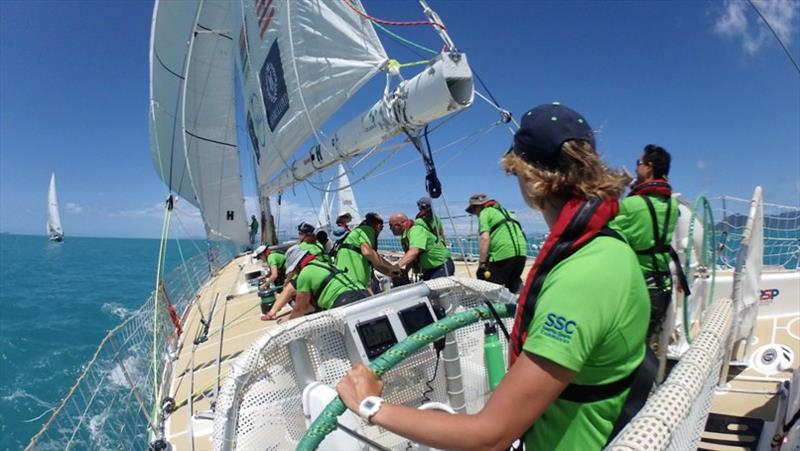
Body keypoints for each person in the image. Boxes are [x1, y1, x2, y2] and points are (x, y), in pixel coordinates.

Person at [337, 103, 651, 450]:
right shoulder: (615, 248)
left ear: (530, 178)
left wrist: (370, 405)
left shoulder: (582, 276)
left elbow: (489, 436)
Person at [609, 144, 684, 346]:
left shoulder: (632, 206)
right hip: (662, 289)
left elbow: (602, 225)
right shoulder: (673, 206)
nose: (636, 168)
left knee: (625, 349)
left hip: (639, 290)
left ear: (649, 167)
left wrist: (619, 188)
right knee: (644, 346)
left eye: (638, 163)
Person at [262, 244, 369, 320]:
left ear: (297, 265)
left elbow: (302, 308)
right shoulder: (323, 264)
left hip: (344, 301)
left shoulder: (305, 273)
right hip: (364, 293)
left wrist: (289, 319)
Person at [465, 193, 528, 292]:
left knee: (486, 283)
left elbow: (484, 238)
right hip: (522, 254)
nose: (475, 214)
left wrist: (482, 263)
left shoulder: (484, 213)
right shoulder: (508, 212)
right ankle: (521, 302)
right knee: (513, 282)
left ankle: (492, 305)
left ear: (477, 207)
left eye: (474, 211)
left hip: (503, 255)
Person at [333, 212, 401, 290]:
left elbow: (375, 263)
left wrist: (391, 273)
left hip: (346, 282)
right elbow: (367, 252)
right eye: (381, 228)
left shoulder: (356, 233)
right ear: (378, 226)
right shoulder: (369, 229)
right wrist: (391, 266)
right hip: (353, 283)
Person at [389, 212, 454, 280]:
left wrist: (397, 266)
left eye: (391, 225)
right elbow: (410, 258)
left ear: (401, 224)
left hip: (441, 266)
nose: (390, 228)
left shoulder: (416, 230)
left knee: (433, 288)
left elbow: (414, 252)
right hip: (430, 269)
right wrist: (405, 272)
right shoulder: (405, 236)